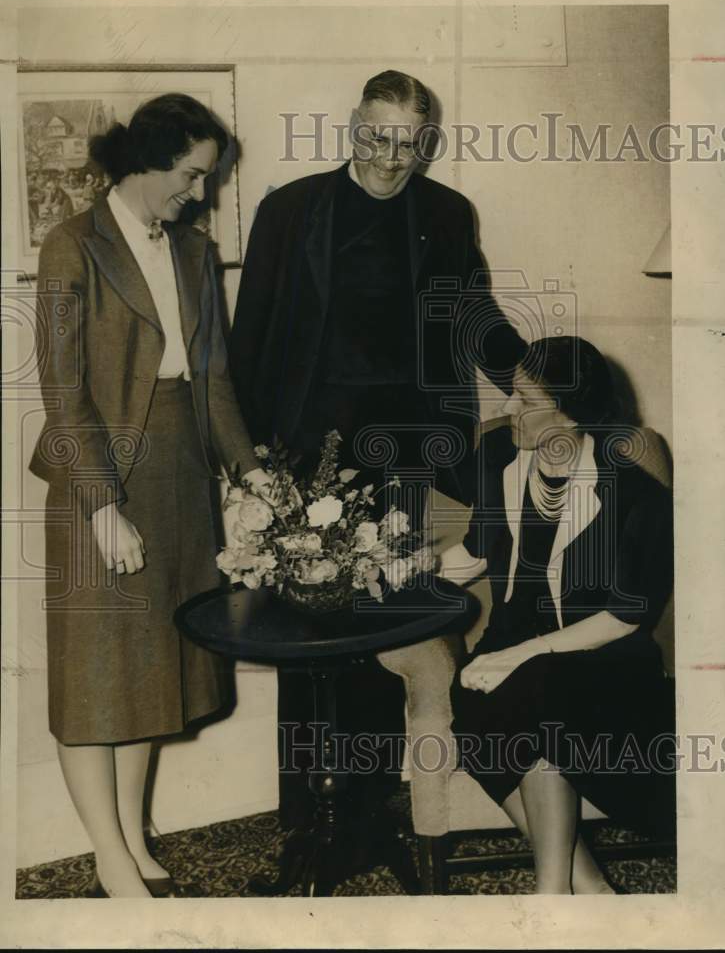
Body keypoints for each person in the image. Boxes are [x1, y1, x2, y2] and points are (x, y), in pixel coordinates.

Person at [229, 70, 525, 829]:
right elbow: (250, 336)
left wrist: (531, 381)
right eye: (376, 139)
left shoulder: (447, 214)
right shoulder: (292, 211)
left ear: (425, 139)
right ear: (351, 127)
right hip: (307, 461)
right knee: (310, 635)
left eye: (408, 143)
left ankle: (372, 808)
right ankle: (310, 821)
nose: (391, 159)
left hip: (408, 455)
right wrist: (244, 465)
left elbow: (473, 316)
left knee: (390, 620)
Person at [30, 93, 268, 898]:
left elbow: (217, 382)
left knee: (153, 668)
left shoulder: (196, 252)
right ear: (147, 161)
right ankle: (106, 855)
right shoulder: (73, 246)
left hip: (180, 475)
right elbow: (64, 397)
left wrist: (251, 472)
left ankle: (131, 838)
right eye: (193, 176)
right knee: (97, 671)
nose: (200, 195)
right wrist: (101, 506)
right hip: (97, 471)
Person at [445, 335, 675, 894]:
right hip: (514, 644)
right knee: (485, 698)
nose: (504, 409)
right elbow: (475, 553)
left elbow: (625, 616)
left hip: (603, 654)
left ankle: (551, 896)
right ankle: (587, 890)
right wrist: (395, 566)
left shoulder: (630, 489)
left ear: (570, 414)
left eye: (523, 400)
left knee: (533, 697)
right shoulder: (498, 459)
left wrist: (519, 655)